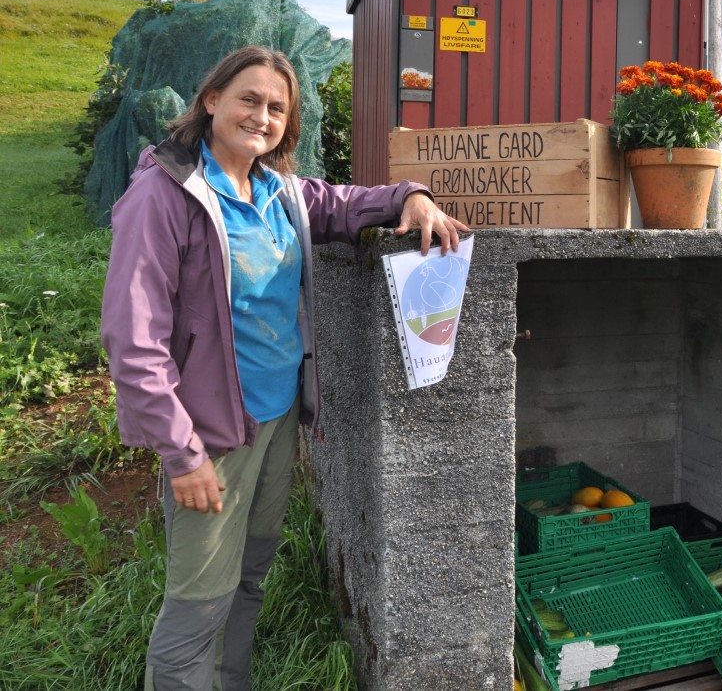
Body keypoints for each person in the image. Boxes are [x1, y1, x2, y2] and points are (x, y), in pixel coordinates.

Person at [100, 45, 469, 690]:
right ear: (211, 100)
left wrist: (414, 197)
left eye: (277, 107)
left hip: (273, 423)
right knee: (197, 601)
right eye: (248, 98)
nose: (262, 116)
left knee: (247, 575)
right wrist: (181, 453)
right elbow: (133, 340)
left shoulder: (280, 193)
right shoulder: (163, 194)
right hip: (210, 434)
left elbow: (350, 204)